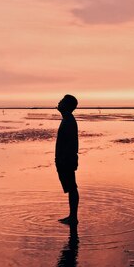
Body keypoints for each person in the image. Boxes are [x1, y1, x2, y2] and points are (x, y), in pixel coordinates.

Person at [55, 94, 79, 225]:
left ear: (68, 106)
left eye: (62, 101)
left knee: (72, 187)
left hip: (67, 160)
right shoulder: (67, 119)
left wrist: (64, 160)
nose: (59, 102)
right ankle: (72, 216)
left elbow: (70, 144)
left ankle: (73, 217)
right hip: (65, 159)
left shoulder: (69, 120)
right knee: (71, 188)